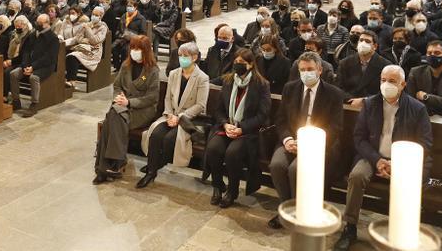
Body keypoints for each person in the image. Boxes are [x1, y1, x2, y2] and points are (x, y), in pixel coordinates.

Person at [333, 65, 433, 250]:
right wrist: (377, 160)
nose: (386, 84)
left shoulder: (417, 108)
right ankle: (350, 227)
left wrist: (399, 164)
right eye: (383, 80)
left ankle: (400, 232)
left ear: (402, 85)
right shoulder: (370, 103)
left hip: (403, 161)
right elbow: (359, 138)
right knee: (356, 176)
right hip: (372, 156)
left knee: (406, 186)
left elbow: (425, 143)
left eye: (392, 81)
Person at [268, 51, 345, 229]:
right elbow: (280, 119)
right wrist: (287, 139)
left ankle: (302, 211)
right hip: (292, 140)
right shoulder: (290, 88)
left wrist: (309, 144)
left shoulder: (333, 93)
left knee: (297, 169)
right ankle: (286, 209)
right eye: (302, 69)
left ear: (319, 70)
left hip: (319, 144)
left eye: (310, 69)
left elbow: (336, 127)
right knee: (277, 165)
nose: (306, 73)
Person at [205, 49, 271, 208]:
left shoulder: (261, 85)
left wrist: (241, 128)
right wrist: (225, 124)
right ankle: (217, 185)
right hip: (227, 127)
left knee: (232, 153)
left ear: (250, 65)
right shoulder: (228, 81)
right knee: (213, 148)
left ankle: (232, 191)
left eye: (241, 63)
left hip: (247, 132)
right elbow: (219, 109)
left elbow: (262, 115)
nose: (237, 65)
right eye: (236, 62)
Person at [138, 41, 209, 188]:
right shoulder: (173, 74)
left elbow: (200, 105)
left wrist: (180, 116)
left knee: (171, 139)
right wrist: (170, 114)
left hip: (188, 119)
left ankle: (156, 165)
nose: (182, 58)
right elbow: (168, 98)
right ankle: (151, 172)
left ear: (194, 57)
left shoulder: (202, 78)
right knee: (155, 134)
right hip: (170, 116)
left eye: (186, 56)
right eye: (180, 55)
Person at [94, 35, 159, 184]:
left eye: (138, 49)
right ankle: (114, 164)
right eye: (133, 48)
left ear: (146, 50)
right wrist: (119, 97)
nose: (135, 51)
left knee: (112, 118)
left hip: (142, 110)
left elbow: (152, 97)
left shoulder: (152, 70)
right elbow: (117, 86)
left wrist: (129, 102)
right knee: (114, 117)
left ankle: (103, 168)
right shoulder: (126, 66)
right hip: (122, 106)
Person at [9, 14, 59, 117]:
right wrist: (26, 65)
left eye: (40, 23)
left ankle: (34, 104)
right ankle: (16, 101)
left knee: (34, 77)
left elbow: (49, 58)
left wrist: (33, 67)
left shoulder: (53, 38)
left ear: (47, 24)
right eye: (37, 22)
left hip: (45, 66)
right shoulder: (32, 35)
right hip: (29, 64)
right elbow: (26, 52)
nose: (38, 25)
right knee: (13, 74)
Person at [406, 41, 442, 119]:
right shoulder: (415, 73)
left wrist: (426, 97)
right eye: (429, 53)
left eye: (437, 53)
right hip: (421, 116)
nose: (432, 55)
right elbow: (410, 101)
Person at [337, 30, 392, 107]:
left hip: (374, 107)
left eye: (367, 41)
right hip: (349, 105)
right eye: (361, 40)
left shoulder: (386, 65)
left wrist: (364, 101)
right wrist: (351, 100)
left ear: (375, 46)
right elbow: (339, 88)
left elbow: (386, 91)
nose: (363, 43)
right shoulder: (344, 63)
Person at [65, 5, 110, 84]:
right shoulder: (87, 24)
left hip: (94, 51)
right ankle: (66, 79)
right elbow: (78, 38)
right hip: (83, 48)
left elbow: (96, 41)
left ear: (101, 16)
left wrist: (88, 30)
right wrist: (84, 41)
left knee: (72, 56)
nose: (93, 16)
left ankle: (72, 81)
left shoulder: (103, 27)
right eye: (93, 14)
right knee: (65, 53)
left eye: (96, 15)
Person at [112, 0, 147, 70]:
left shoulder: (141, 18)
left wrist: (132, 36)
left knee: (125, 50)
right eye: (128, 6)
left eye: (131, 6)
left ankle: (124, 68)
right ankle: (117, 67)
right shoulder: (124, 16)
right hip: (122, 38)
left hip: (133, 41)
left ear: (135, 7)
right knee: (114, 48)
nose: (129, 8)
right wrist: (120, 35)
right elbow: (118, 29)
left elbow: (143, 33)